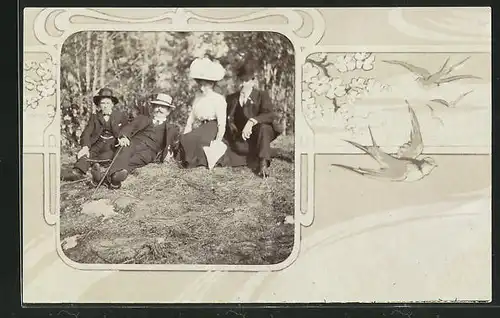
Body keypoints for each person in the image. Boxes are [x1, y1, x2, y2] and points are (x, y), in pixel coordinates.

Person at [92, 93, 180, 189]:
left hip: (149, 152)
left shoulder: (172, 128)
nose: (159, 109)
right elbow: (129, 128)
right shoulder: (142, 119)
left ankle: (104, 178)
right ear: (153, 107)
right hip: (134, 143)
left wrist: (169, 154)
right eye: (157, 106)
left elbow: (175, 144)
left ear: (168, 111)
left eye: (163, 107)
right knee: (125, 148)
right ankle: (114, 181)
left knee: (133, 160)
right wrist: (124, 137)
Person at [224, 57, 282, 178]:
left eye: (247, 81)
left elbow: (270, 115)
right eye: (241, 81)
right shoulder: (231, 98)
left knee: (264, 128)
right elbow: (228, 119)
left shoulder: (261, 95)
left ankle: (263, 164)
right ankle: (267, 151)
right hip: (243, 136)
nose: (244, 84)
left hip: (260, 132)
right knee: (239, 150)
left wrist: (252, 121)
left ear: (253, 81)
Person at [61, 87, 129, 182]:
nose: (105, 106)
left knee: (113, 156)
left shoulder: (120, 116)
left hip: (112, 145)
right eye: (103, 103)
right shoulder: (95, 117)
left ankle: (107, 174)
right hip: (97, 144)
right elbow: (87, 133)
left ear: (112, 104)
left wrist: (123, 137)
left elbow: (127, 130)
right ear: (99, 105)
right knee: (87, 155)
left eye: (108, 103)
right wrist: (85, 146)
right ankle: (78, 172)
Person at [176, 57, 227, 169]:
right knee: (186, 138)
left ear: (212, 84)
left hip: (213, 126)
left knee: (200, 140)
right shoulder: (198, 97)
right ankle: (188, 162)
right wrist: (185, 133)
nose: (202, 88)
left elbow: (221, 123)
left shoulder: (218, 99)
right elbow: (191, 118)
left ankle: (201, 163)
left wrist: (218, 140)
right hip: (201, 126)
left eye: (206, 85)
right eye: (201, 85)